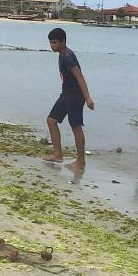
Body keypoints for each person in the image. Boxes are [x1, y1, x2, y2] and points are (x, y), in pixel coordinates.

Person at [44, 28, 95, 170]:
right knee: (51, 120)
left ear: (63, 42)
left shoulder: (68, 57)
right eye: (50, 43)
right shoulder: (61, 54)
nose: (52, 46)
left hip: (75, 96)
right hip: (66, 94)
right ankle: (57, 154)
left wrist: (88, 98)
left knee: (76, 127)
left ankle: (80, 161)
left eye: (55, 43)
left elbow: (79, 76)